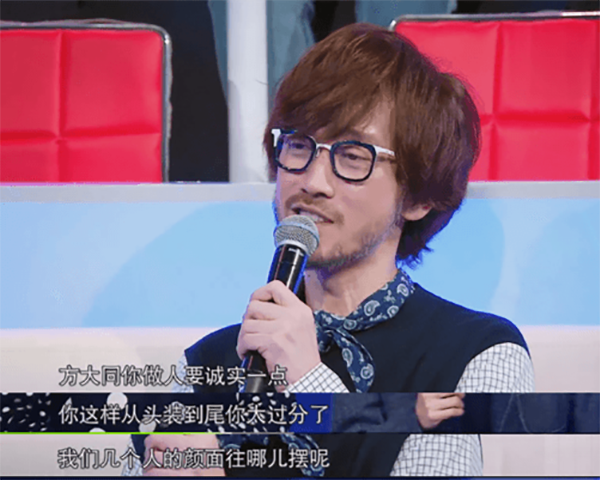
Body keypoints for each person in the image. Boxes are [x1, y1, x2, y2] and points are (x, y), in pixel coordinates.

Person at [125, 22, 534, 477]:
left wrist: (311, 384)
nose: (313, 182)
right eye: (299, 145)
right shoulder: (210, 363)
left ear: (418, 198)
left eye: (353, 156)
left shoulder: (476, 353)